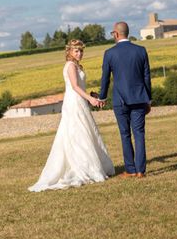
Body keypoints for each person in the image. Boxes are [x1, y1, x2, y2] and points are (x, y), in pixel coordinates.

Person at [28, 39, 115, 192]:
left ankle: (90, 165)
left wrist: (90, 95)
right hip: (74, 103)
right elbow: (74, 86)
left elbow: (79, 87)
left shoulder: (77, 66)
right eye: (76, 51)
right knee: (77, 134)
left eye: (81, 51)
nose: (79, 53)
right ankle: (82, 168)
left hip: (79, 101)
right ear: (69, 52)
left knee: (85, 132)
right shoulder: (70, 66)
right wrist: (90, 99)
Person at [99, 21, 152, 178]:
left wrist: (102, 97)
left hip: (120, 100)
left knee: (125, 134)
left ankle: (130, 169)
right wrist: (148, 99)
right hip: (140, 99)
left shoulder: (109, 53)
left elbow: (105, 79)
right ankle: (141, 171)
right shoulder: (141, 50)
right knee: (139, 134)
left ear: (116, 33)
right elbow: (146, 77)